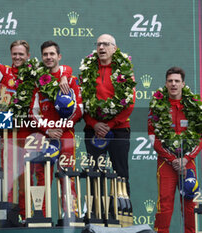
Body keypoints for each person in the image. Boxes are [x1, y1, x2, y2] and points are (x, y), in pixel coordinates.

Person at [0, 12, 73, 220]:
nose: (17, 58)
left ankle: (39, 214)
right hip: (11, 132)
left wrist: (66, 73)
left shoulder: (37, 72)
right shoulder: (4, 73)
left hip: (35, 131)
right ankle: (18, 215)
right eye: (14, 54)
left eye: (21, 54)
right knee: (16, 175)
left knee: (41, 174)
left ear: (28, 56)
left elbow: (61, 67)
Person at [29, 40, 83, 216]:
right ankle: (40, 215)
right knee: (42, 178)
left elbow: (79, 110)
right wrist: (48, 130)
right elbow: (33, 112)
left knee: (67, 176)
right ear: (42, 58)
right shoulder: (38, 83)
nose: (48, 57)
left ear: (59, 56)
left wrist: (60, 127)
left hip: (65, 135)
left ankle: (70, 215)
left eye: (52, 54)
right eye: (45, 54)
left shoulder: (71, 80)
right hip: (45, 137)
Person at [148, 67, 202, 233]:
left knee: (190, 204)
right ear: (166, 83)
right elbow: (153, 138)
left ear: (183, 84)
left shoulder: (193, 106)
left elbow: (199, 137)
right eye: (170, 81)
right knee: (164, 204)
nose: (173, 84)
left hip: (188, 164)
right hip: (166, 164)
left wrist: (186, 158)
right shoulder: (157, 106)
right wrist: (172, 160)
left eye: (177, 81)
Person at [81, 34, 135, 194]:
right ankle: (96, 216)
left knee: (121, 173)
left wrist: (109, 125)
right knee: (95, 174)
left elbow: (130, 103)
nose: (101, 48)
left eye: (105, 44)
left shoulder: (125, 69)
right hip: (93, 129)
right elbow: (81, 101)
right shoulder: (87, 68)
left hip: (119, 129)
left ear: (114, 48)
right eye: (98, 44)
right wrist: (94, 124)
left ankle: (123, 216)